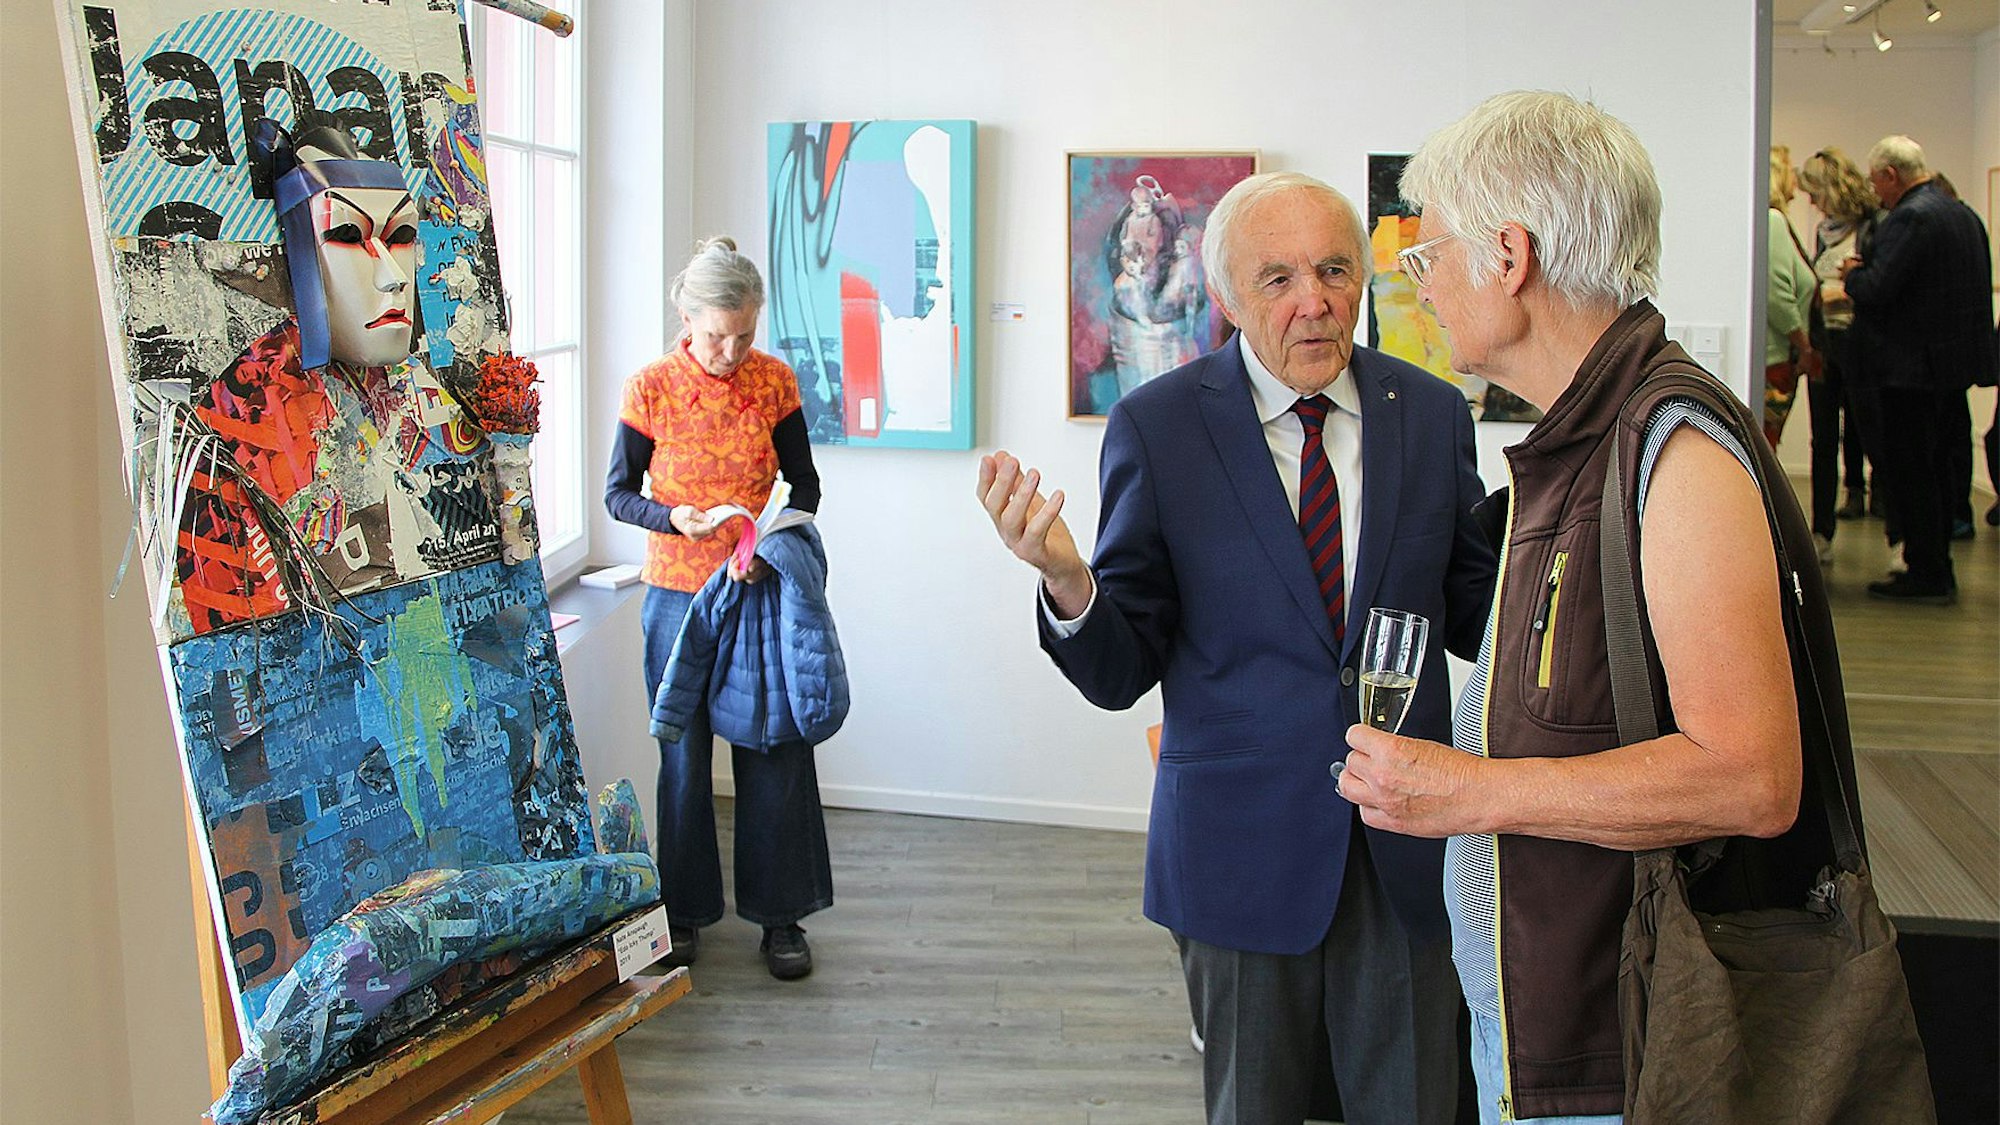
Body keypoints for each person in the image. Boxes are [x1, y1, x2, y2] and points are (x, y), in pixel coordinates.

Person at [978, 170, 1496, 1125]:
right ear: (1223, 296)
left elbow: (1473, 610)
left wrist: (1562, 524)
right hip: (1238, 853)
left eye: (1337, 269)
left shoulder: (1428, 413)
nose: (1316, 301)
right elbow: (1123, 664)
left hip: (1406, 844)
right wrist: (1066, 578)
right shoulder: (1160, 427)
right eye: (1279, 279)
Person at [1344, 91, 1807, 1124]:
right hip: (1553, 1018)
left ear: (1507, 256)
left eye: (1427, 260)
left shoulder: (1670, 450)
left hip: (1625, 1042)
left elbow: (1749, 778)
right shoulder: (1586, 439)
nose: (1419, 291)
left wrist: (1472, 794)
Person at [605, 237, 830, 979]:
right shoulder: (649, 389)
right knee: (683, 755)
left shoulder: (775, 382)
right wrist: (677, 520)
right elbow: (617, 493)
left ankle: (781, 917)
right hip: (674, 593)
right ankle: (683, 914)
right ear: (685, 315)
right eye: (715, 335)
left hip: (755, 588)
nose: (731, 350)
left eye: (745, 334)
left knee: (775, 746)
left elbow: (805, 486)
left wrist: (772, 539)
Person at [1842, 135, 1999, 602]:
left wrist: (1852, 273)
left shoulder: (1910, 217)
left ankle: (1927, 572)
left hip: (1909, 370)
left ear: (1891, 175)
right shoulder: (1962, 213)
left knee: (1913, 471)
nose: (1876, 193)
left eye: (1876, 183)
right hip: (1949, 368)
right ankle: (1934, 565)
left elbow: (1877, 288)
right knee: (1939, 467)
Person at [1797, 148, 1887, 560]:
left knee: (1872, 434)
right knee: (1822, 442)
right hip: (1825, 345)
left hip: (1862, 345)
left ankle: (1895, 530)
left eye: (1814, 192)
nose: (1811, 202)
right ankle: (1822, 532)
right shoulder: (1822, 231)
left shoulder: (1873, 227)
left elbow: (1878, 287)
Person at [1762, 145, 1820, 449]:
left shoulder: (1769, 221)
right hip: (1776, 360)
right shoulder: (1773, 220)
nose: (1796, 190)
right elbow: (1777, 295)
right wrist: (1805, 346)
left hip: (1774, 360)